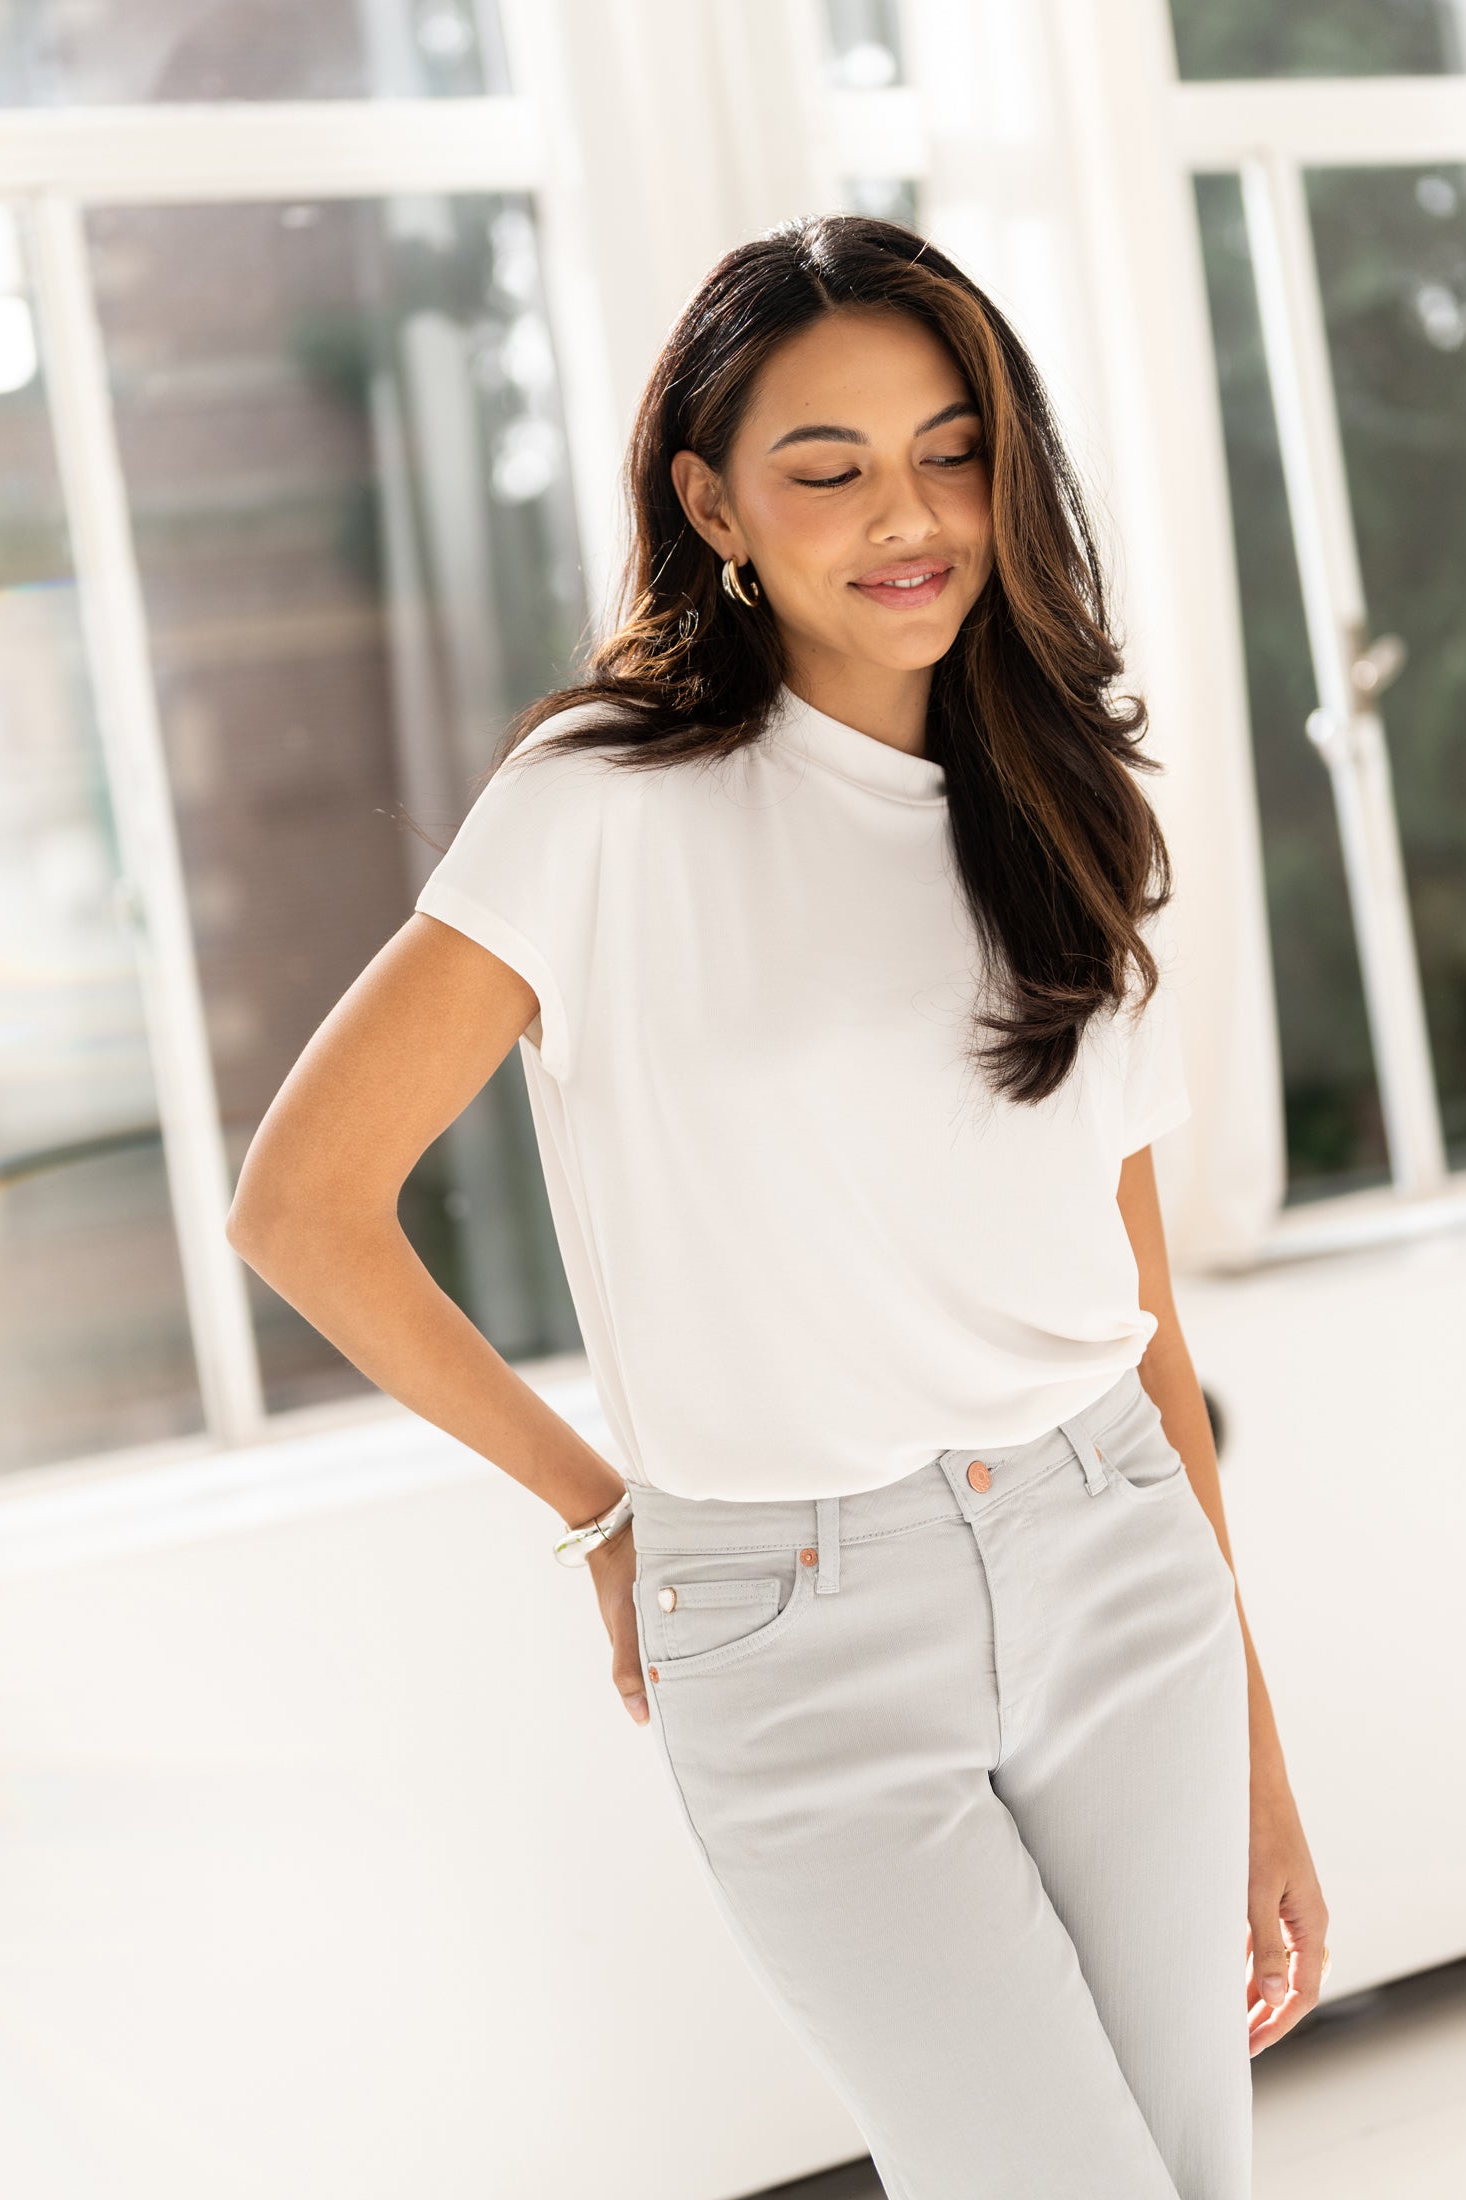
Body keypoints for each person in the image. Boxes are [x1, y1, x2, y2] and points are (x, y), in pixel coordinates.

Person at [227, 213, 1328, 2199]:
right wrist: (599, 1510)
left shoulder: (1071, 808)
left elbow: (1148, 1318)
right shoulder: (601, 804)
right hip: (799, 1619)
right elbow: (303, 1203)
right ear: (711, 501)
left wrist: (1259, 1749)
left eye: (953, 449)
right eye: (826, 467)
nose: (906, 513)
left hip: (1118, 1550)